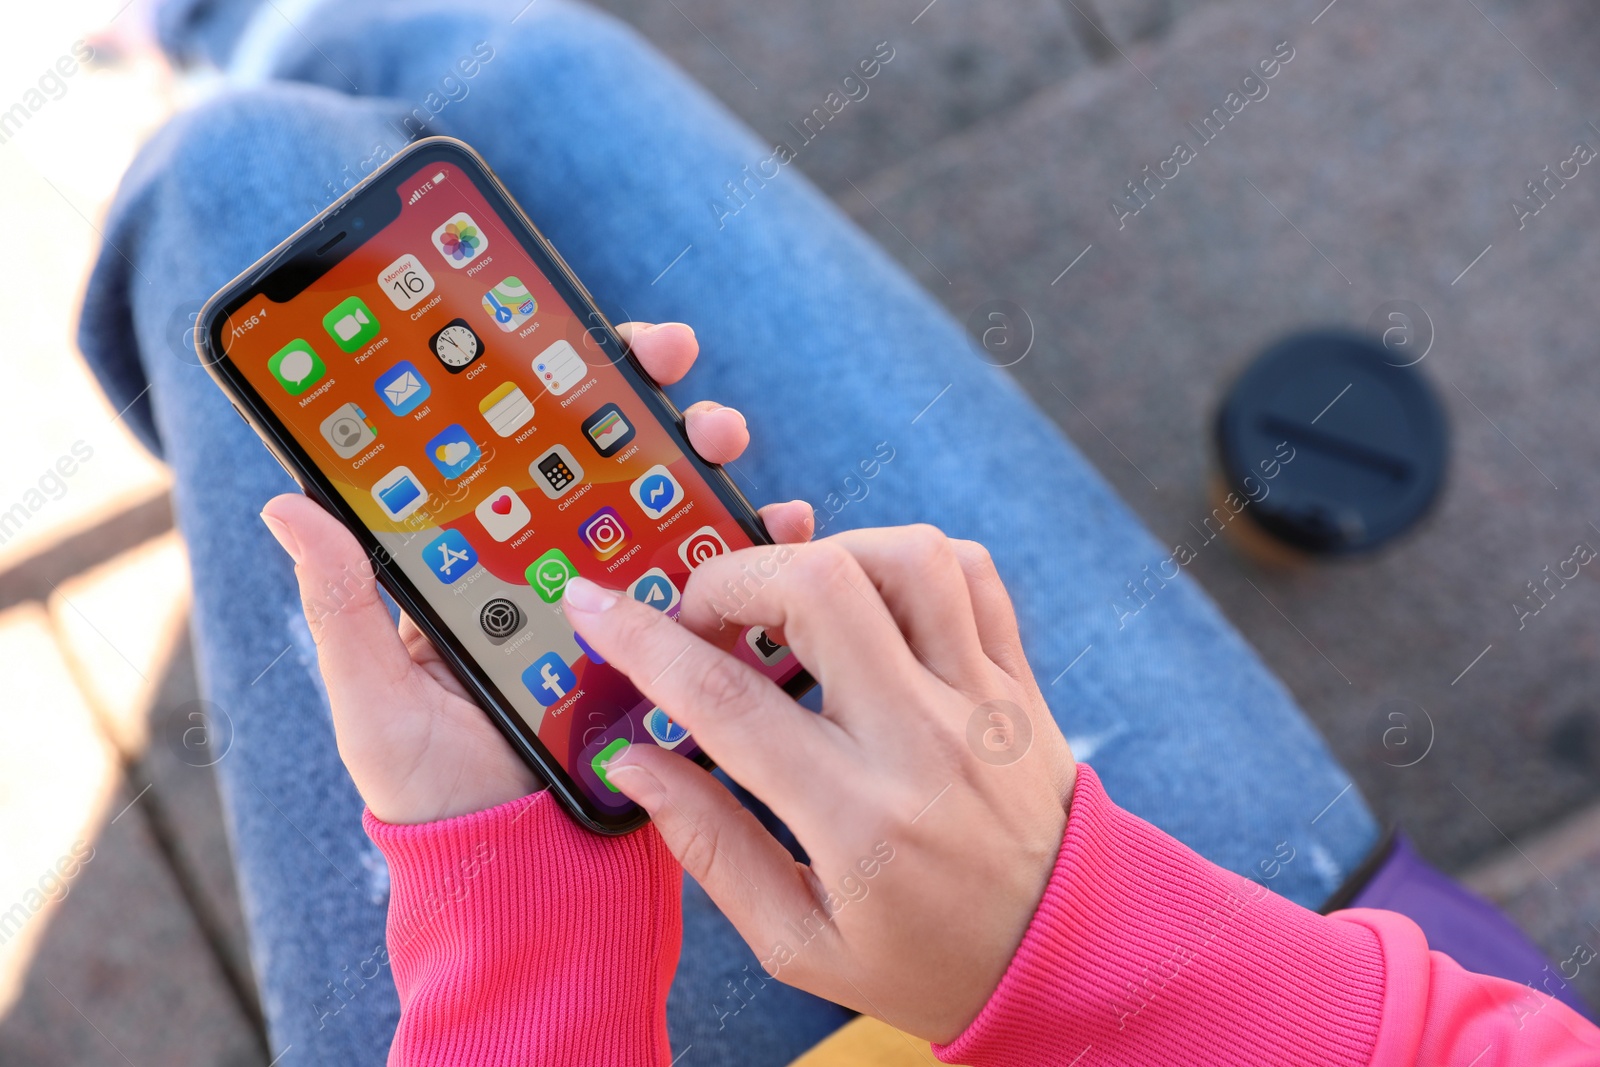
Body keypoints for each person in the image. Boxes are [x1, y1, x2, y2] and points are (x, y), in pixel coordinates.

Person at [77, 0, 1596, 1062]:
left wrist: (517, 903)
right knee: (528, 76)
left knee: (239, 187)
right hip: (1272, 993)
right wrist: (1072, 953)